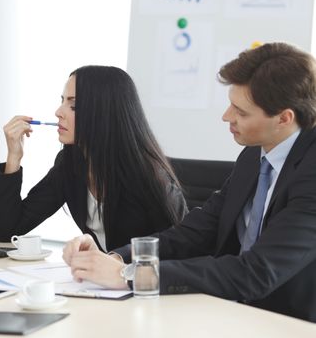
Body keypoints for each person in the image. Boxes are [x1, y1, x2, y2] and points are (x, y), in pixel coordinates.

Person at [63, 43, 316, 322]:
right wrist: (119, 258)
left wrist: (132, 276)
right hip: (232, 311)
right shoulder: (254, 155)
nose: (226, 117)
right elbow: (196, 231)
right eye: (231, 105)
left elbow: (256, 272)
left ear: (284, 118)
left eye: (241, 112)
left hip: (289, 321)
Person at [0, 65, 187, 252]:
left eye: (73, 105)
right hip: (98, 282)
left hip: (138, 283)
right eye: (62, 101)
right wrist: (13, 158)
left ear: (103, 112)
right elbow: (8, 231)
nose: (59, 112)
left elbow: (180, 250)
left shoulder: (149, 176)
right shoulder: (70, 163)